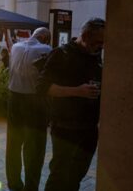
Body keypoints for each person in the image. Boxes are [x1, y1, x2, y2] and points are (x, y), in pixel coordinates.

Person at [37, 18, 105, 191]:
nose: (101, 46)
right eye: (98, 42)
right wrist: (77, 91)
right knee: (59, 174)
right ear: (84, 36)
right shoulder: (61, 54)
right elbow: (42, 87)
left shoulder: (97, 57)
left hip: (89, 129)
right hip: (65, 127)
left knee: (77, 175)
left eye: (104, 43)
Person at [6, 27, 52, 191]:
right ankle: (31, 187)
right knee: (35, 147)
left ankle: (14, 184)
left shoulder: (16, 47)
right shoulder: (46, 49)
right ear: (45, 38)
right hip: (35, 101)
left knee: (13, 143)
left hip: (14, 98)